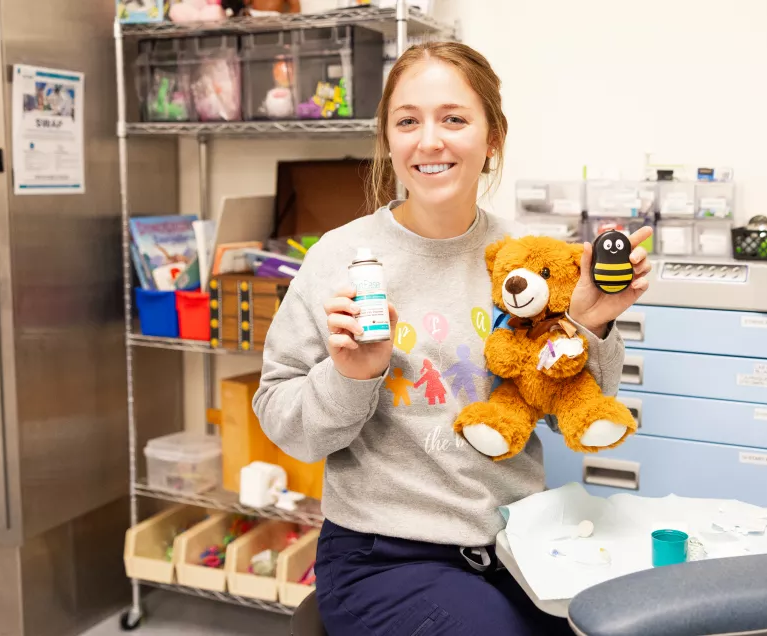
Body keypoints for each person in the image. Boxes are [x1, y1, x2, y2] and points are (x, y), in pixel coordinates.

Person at [252, 41, 652, 636]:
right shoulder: (339, 257)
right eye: (407, 121)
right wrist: (352, 376)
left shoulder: (527, 262)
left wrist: (588, 326)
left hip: (520, 548)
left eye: (454, 119)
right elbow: (284, 423)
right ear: (388, 140)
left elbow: (567, 414)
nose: (429, 140)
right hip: (383, 558)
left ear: (492, 140)